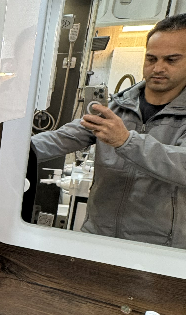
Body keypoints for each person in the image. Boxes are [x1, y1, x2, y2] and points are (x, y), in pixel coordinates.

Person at [31, 13, 186, 247]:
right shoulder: (116, 107)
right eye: (151, 58)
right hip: (97, 236)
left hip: (156, 248)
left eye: (171, 60)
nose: (157, 68)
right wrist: (3, 150)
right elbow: (61, 138)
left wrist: (126, 142)